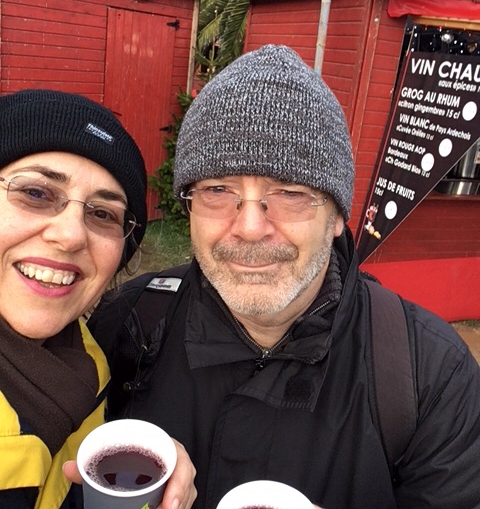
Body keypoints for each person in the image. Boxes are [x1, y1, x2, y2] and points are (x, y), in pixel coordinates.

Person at [90, 45, 480, 509]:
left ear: (337, 217)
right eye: (218, 189)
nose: (250, 227)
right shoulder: (127, 324)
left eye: (290, 192)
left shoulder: (430, 374)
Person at [0, 89, 196, 509]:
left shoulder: (88, 360)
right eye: (35, 193)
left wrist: (139, 484)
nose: (71, 235)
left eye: (103, 214)